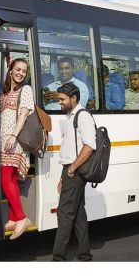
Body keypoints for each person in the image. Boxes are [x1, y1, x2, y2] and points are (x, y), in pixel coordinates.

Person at [53, 82, 96, 261]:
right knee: (78, 214)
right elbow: (69, 149)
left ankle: (58, 257)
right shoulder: (71, 116)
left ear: (74, 98)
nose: (60, 103)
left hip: (75, 170)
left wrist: (72, 168)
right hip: (70, 170)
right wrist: (63, 176)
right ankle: (85, 254)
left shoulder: (82, 116)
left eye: (62, 99)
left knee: (64, 214)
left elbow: (90, 146)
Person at [0, 58, 35, 239]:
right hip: (3, 140)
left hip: (15, 141)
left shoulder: (25, 90)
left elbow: (23, 115)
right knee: (11, 179)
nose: (21, 73)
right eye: (18, 69)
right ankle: (13, 219)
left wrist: (13, 136)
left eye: (24, 71)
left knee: (5, 179)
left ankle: (21, 217)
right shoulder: (4, 92)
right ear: (10, 70)